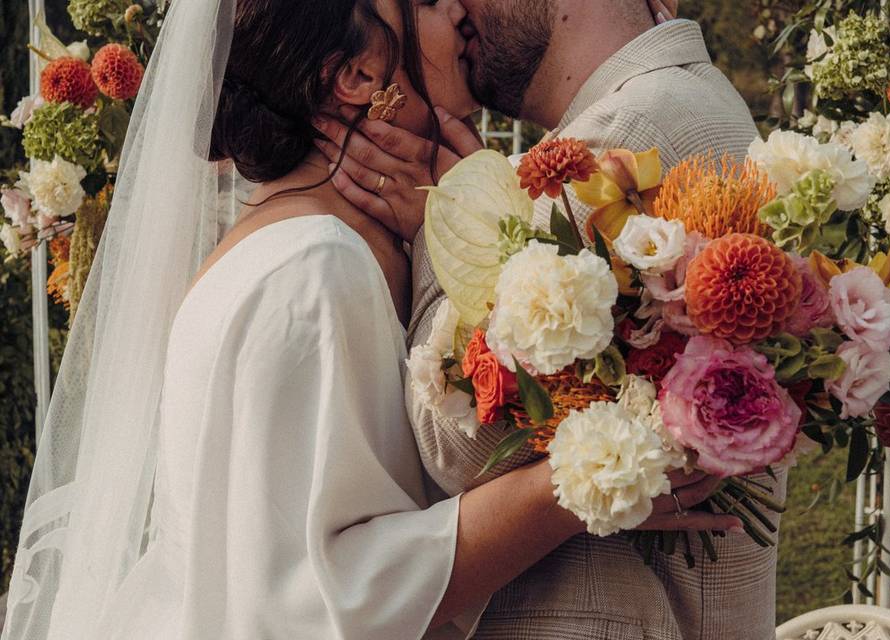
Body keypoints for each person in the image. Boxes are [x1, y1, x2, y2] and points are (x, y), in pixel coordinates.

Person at [0, 1, 737, 639]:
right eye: (419, 1)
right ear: (357, 76)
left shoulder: (302, 245)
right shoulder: (316, 269)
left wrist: (458, 221)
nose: (457, 11)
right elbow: (312, 602)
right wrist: (581, 485)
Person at [317, 1, 786, 638]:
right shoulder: (681, 101)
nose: (454, 9)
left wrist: (446, 224)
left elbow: (452, 438)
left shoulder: (626, 138)